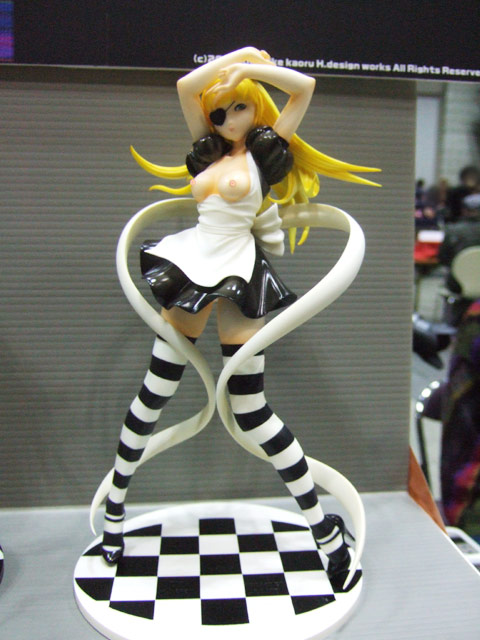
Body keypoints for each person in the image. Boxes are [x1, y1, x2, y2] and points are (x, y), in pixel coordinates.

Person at [101, 47, 380, 580]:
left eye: (240, 107)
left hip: (241, 275)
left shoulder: (263, 152)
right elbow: (186, 88)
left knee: (252, 410)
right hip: (192, 266)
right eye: (220, 112)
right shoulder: (206, 149)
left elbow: (304, 88)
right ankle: (115, 512)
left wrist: (250, 70)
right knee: (154, 394)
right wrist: (238, 56)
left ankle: (323, 531)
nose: (229, 119)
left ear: (255, 108)